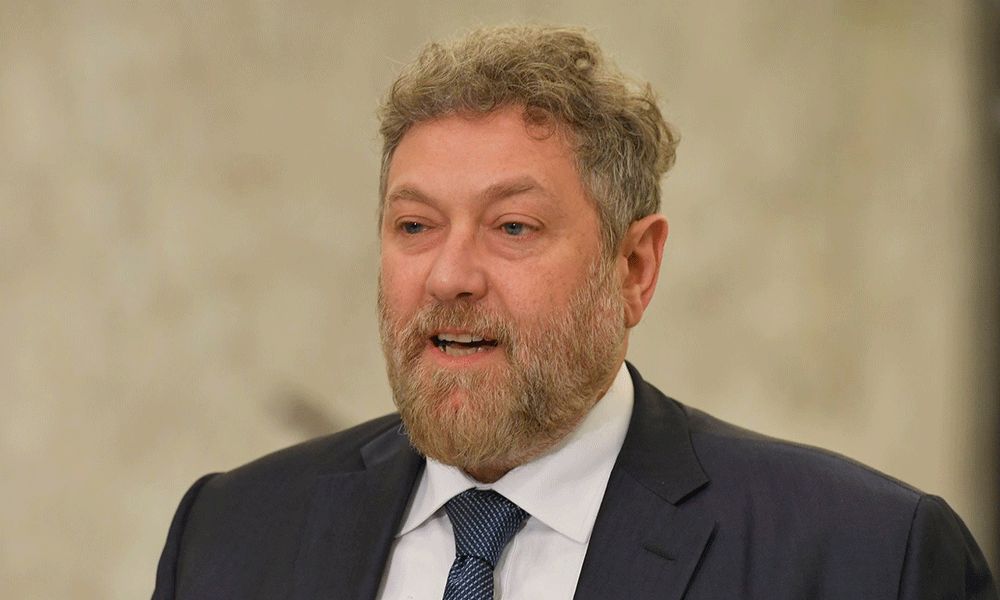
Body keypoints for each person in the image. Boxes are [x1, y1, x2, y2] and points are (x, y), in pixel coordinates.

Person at [152, 25, 998, 600]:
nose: (449, 275)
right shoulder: (230, 537)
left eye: (513, 227)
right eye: (415, 226)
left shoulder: (865, 557)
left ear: (634, 268)